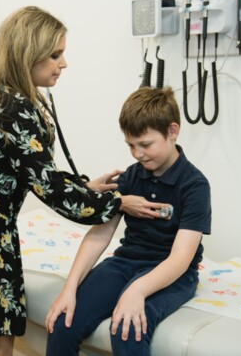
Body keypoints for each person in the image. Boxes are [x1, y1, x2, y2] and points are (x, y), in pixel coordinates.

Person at [0, 6, 166, 356]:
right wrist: (117, 202)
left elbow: (27, 169)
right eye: (55, 54)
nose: (63, 63)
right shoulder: (16, 108)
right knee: (0, 329)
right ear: (29, 54)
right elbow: (49, 188)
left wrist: (84, 189)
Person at [45, 86, 212, 356]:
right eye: (131, 145)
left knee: (127, 328)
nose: (137, 153)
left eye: (145, 144)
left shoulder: (194, 185)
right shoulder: (131, 177)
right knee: (63, 322)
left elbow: (181, 258)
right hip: (126, 262)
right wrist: (70, 287)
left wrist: (137, 291)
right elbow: (100, 235)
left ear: (172, 131)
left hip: (172, 272)